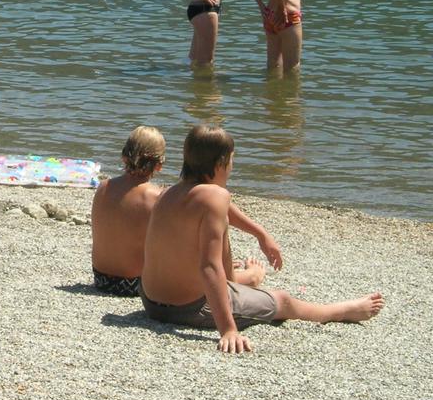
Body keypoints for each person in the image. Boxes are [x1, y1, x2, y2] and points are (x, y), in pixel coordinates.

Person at [141, 125, 385, 353]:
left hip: (151, 302)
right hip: (189, 309)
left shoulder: (169, 193)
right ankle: (339, 311)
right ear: (220, 163)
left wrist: (260, 233)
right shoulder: (215, 197)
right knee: (283, 300)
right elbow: (209, 266)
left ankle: (241, 282)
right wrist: (228, 329)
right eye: (232, 161)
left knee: (218, 233)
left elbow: (222, 208)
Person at [90, 125, 282, 297]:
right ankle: (250, 278)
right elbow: (215, 207)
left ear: (124, 156)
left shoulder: (103, 187)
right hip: (137, 284)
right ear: (159, 165)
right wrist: (260, 233)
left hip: (101, 279)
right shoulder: (158, 197)